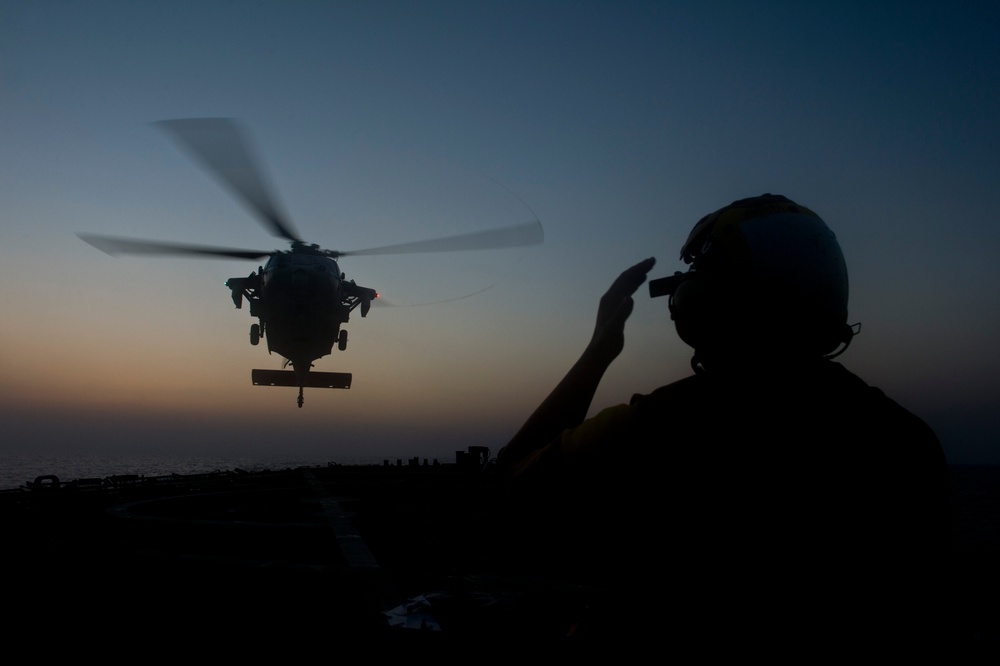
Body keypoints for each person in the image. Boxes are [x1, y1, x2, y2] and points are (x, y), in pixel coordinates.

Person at [494, 194, 951, 648]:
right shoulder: (908, 441)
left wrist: (598, 352)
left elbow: (508, 493)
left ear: (702, 306)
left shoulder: (659, 428)